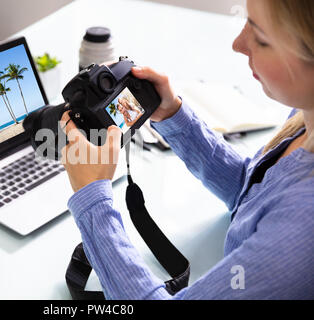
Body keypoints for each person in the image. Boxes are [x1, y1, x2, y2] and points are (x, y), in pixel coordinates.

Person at [59, 0, 314, 299]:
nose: (238, 44)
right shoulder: (304, 115)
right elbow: (254, 192)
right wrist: (175, 117)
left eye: (261, 38)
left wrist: (93, 200)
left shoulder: (302, 228)